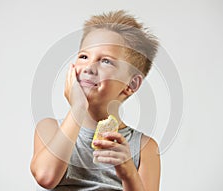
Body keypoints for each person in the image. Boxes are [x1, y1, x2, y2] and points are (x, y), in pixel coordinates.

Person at [30, 10, 160, 191]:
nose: (89, 68)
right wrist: (78, 107)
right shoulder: (49, 129)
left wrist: (128, 173)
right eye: (84, 56)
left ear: (131, 84)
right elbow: (46, 176)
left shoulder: (144, 147)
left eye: (106, 61)